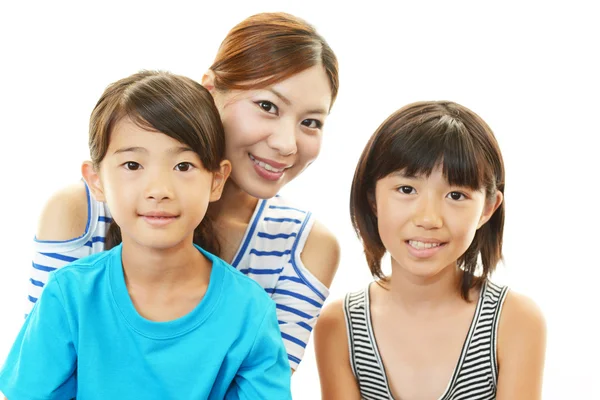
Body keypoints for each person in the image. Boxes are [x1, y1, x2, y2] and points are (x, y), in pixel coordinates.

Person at [27, 12, 340, 372]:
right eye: (267, 106)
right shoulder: (81, 212)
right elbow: (44, 375)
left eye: (311, 123)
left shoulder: (304, 248)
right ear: (210, 90)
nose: (287, 144)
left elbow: (259, 387)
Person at [0, 71, 291, 399]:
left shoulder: (249, 311)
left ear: (216, 180)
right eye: (133, 165)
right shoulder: (69, 296)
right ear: (96, 180)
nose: (159, 190)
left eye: (183, 166)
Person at [314, 101, 547, 399]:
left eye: (456, 195)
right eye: (407, 190)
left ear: (488, 208)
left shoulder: (514, 320)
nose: (428, 219)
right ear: (373, 197)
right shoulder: (339, 326)